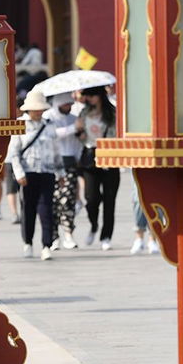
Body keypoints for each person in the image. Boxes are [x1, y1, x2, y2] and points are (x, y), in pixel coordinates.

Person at [8, 90, 61, 260]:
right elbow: (13, 152)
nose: (38, 112)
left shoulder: (50, 124)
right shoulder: (20, 124)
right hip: (27, 173)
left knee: (46, 209)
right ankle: (28, 242)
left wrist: (61, 172)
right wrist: (19, 173)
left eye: (40, 109)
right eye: (35, 109)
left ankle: (46, 245)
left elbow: (56, 150)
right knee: (28, 209)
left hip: (47, 172)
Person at [77, 85, 119, 250]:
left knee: (110, 200)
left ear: (100, 96)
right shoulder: (84, 113)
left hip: (110, 155)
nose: (89, 99)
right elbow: (82, 138)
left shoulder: (113, 113)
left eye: (91, 95)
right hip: (89, 156)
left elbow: (118, 134)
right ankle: (94, 224)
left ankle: (106, 235)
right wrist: (79, 132)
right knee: (91, 197)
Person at [47, 92, 81, 250]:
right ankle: (53, 236)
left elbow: (78, 142)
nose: (69, 107)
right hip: (51, 162)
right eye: (66, 104)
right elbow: (52, 135)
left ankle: (68, 233)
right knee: (52, 201)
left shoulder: (74, 118)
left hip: (69, 161)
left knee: (67, 200)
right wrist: (73, 128)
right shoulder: (49, 118)